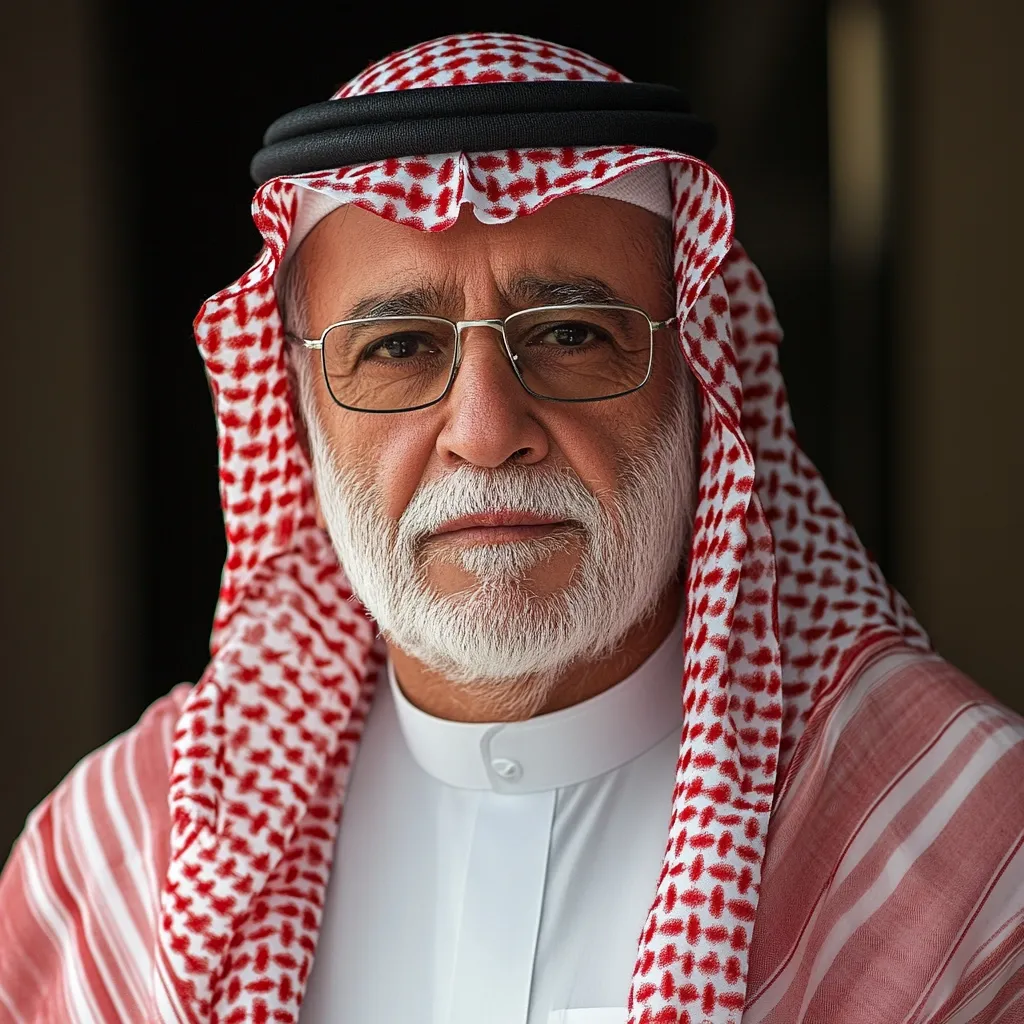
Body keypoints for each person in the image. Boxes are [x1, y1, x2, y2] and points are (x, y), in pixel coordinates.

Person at [1, 32, 1022, 1024]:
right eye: (398, 346)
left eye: (573, 334)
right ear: (299, 413)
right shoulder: (112, 859)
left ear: (702, 387)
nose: (486, 434)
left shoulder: (967, 846)